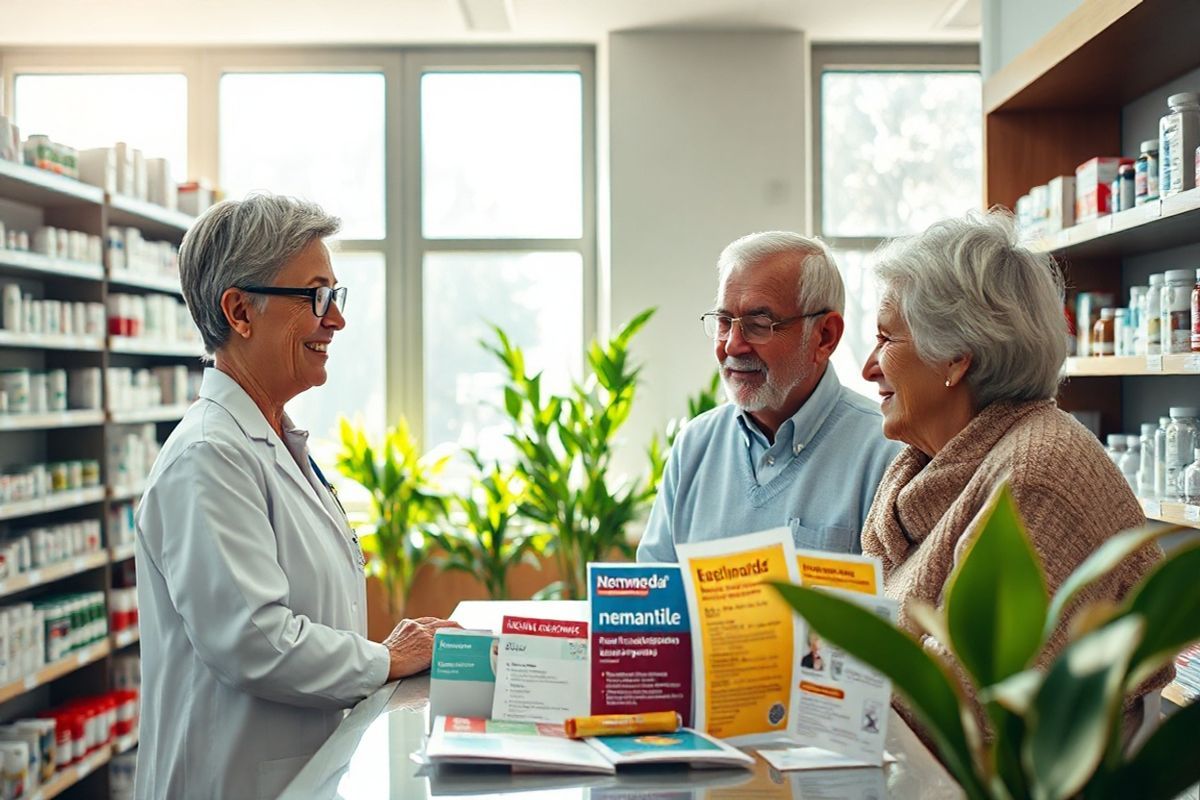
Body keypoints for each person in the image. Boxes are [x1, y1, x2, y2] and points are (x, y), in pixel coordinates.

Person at [135, 194, 459, 799]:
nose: (335, 319)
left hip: (297, 773)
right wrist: (386, 659)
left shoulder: (272, 441)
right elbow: (256, 642)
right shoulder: (209, 456)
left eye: (335, 296)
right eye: (316, 296)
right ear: (240, 311)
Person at [859, 209, 1166, 734]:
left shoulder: (1035, 476)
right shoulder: (924, 468)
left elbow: (970, 705)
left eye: (888, 340)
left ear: (956, 358)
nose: (868, 366)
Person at [637, 232, 901, 562]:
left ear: (825, 336)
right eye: (723, 322)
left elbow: (900, 608)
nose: (732, 345)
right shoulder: (695, 447)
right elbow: (655, 601)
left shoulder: (886, 453)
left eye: (759, 324)